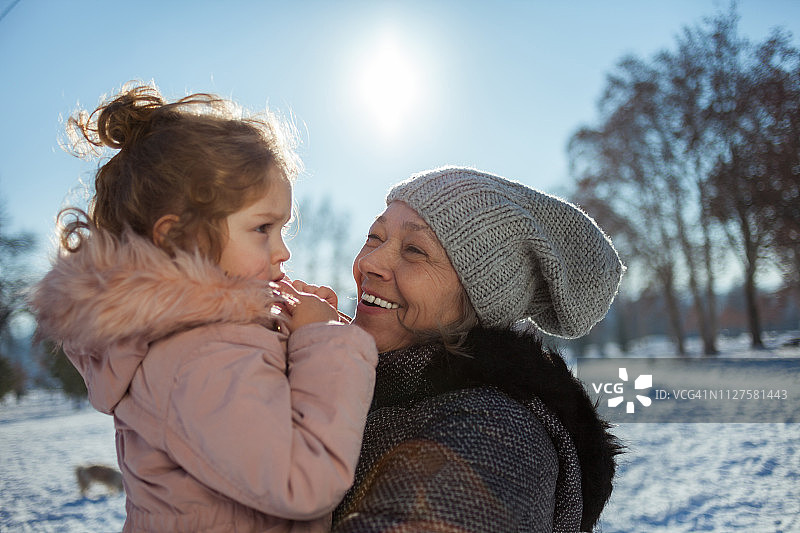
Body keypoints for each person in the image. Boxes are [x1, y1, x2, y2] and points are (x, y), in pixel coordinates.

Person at [29, 84, 378, 533]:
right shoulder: (196, 353)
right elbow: (301, 481)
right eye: (263, 228)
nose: (283, 251)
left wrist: (300, 332)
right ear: (177, 237)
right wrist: (325, 344)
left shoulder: (195, 334)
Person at [332, 166, 626, 533]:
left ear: (476, 299)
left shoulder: (500, 436)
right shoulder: (356, 379)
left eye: (414, 250)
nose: (369, 263)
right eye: (375, 236)